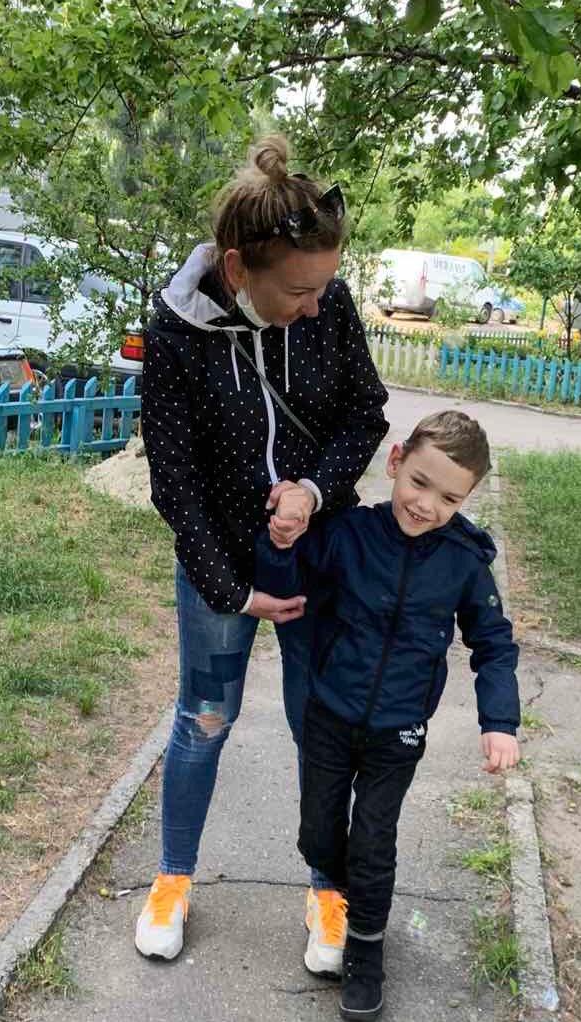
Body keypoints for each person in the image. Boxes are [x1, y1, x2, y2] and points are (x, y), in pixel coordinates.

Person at [136, 133, 389, 964]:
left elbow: (364, 413)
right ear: (240, 268)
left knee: (322, 723)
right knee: (204, 719)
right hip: (222, 563)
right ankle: (173, 877)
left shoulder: (330, 306)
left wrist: (312, 491)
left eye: (326, 287)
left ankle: (327, 886)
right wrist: (230, 591)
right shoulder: (176, 333)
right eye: (300, 290)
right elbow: (174, 482)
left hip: (317, 557)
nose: (316, 306)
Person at [256, 410, 521, 1022]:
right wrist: (280, 544)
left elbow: (494, 643)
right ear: (396, 461)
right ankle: (344, 887)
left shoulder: (464, 562)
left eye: (449, 498)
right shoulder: (349, 533)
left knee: (374, 842)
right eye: (420, 483)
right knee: (318, 837)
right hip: (329, 714)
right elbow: (288, 583)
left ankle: (366, 955)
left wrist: (499, 723)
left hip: (398, 730)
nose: (427, 505)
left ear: (467, 499)